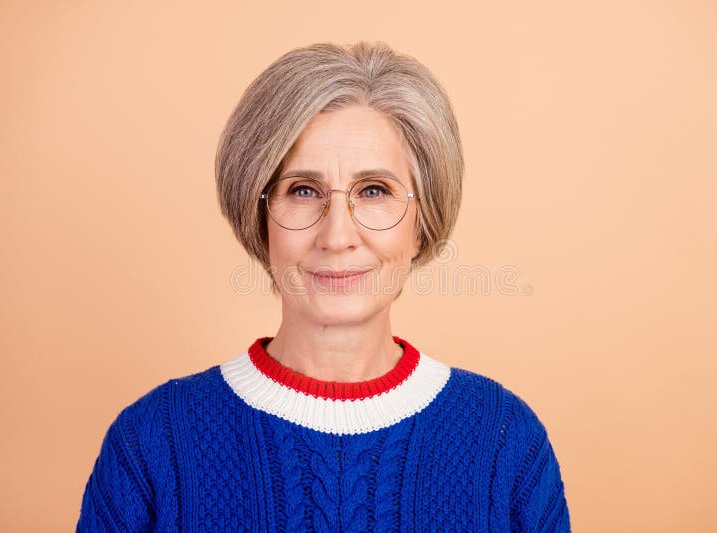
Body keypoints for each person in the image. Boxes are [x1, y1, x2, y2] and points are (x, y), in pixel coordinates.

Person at [77, 41, 571, 532]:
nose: (337, 237)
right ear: (259, 214)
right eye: (303, 190)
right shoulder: (150, 443)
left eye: (374, 191)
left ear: (421, 222)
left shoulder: (504, 441)